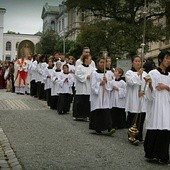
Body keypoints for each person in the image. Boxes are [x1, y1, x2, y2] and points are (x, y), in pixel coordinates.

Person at [144, 51, 170, 165]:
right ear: (160, 60)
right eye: (167, 58)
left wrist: (166, 87)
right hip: (156, 105)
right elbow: (149, 94)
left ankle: (163, 155)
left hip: (166, 104)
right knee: (155, 125)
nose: (168, 61)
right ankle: (151, 153)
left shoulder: (169, 75)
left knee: (165, 127)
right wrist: (149, 84)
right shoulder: (153, 73)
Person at [89, 56, 115, 135]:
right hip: (97, 95)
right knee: (98, 110)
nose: (102, 64)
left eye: (104, 62)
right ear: (97, 63)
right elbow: (92, 85)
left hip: (105, 94)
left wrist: (107, 82)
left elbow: (111, 84)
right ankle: (98, 128)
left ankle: (109, 127)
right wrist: (100, 83)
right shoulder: (94, 73)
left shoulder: (108, 73)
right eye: (101, 62)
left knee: (106, 110)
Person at [125, 55, 147, 145]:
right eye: (136, 61)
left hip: (142, 98)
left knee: (141, 119)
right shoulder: (129, 73)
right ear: (132, 62)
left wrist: (144, 91)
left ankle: (140, 136)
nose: (138, 63)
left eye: (139, 61)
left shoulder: (145, 74)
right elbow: (130, 82)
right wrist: (138, 74)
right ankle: (132, 136)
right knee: (133, 118)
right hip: (133, 99)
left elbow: (147, 86)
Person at [74, 54, 95, 121]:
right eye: (89, 59)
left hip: (88, 87)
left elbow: (96, 74)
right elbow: (78, 75)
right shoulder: (79, 67)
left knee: (87, 102)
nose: (91, 61)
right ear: (85, 60)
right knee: (80, 102)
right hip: (81, 87)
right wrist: (86, 76)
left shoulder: (92, 68)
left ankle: (86, 115)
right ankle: (78, 116)